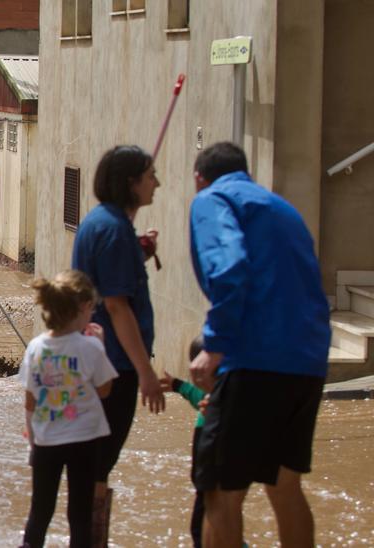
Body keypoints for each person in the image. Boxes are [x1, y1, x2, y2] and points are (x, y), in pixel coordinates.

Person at [186, 142, 330, 548]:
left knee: (220, 491)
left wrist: (214, 346)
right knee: (285, 486)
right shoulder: (282, 209)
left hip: (253, 359)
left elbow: (228, 266)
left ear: (200, 177)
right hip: (308, 361)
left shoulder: (211, 199)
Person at [69, 145, 166, 546]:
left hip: (101, 362)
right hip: (114, 367)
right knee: (97, 467)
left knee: (95, 467)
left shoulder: (106, 224)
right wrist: (146, 373)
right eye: (150, 175)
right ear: (131, 183)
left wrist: (137, 251)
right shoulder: (112, 231)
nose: (157, 182)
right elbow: (117, 306)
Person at [19, 269, 117, 548]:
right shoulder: (90, 347)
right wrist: (100, 345)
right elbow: (105, 390)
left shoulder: (36, 347)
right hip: (84, 440)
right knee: (80, 515)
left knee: (40, 511)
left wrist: (33, 441)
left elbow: (30, 400)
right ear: (84, 307)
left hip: (47, 441)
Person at [161, 335, 213, 548]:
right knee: (204, 528)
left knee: (205, 530)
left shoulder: (224, 402)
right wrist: (177, 385)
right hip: (205, 485)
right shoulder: (209, 399)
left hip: (213, 485)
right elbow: (197, 395)